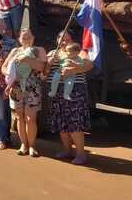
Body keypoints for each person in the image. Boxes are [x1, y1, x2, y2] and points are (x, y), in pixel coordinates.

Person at [45, 30, 93, 165]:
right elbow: (44, 72)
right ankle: (67, 150)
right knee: (62, 122)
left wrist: (73, 69)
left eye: (67, 39)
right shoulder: (53, 53)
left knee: (74, 122)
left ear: (71, 40)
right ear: (57, 40)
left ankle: (80, 154)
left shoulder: (79, 52)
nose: (64, 41)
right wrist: (48, 63)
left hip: (75, 91)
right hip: (57, 91)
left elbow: (89, 65)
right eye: (61, 39)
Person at [1, 28, 46, 157]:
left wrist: (27, 60)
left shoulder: (39, 50)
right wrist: (11, 75)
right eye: (23, 37)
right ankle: (23, 144)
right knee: (19, 117)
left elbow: (42, 67)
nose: (26, 39)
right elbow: (4, 67)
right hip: (16, 87)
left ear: (33, 38)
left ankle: (32, 146)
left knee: (30, 118)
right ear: (19, 39)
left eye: (28, 36)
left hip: (33, 88)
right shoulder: (15, 51)